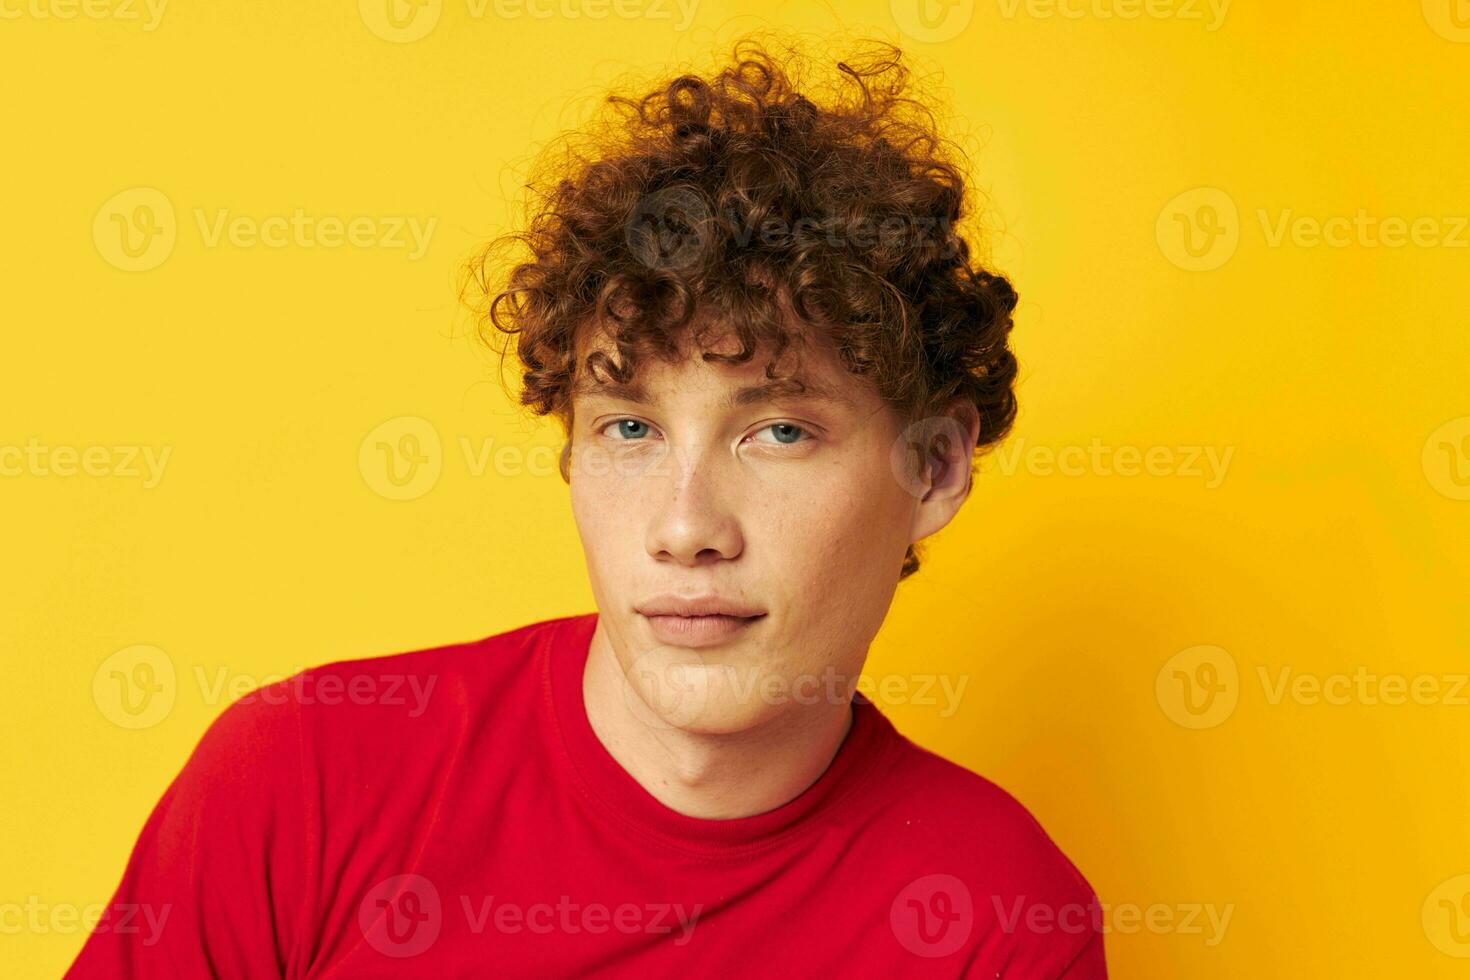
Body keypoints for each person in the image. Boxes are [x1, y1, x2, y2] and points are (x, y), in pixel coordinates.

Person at [67, 35, 1106, 978]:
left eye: (779, 430)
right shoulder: (299, 781)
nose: (685, 525)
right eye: (630, 429)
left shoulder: (1001, 919)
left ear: (932, 469)